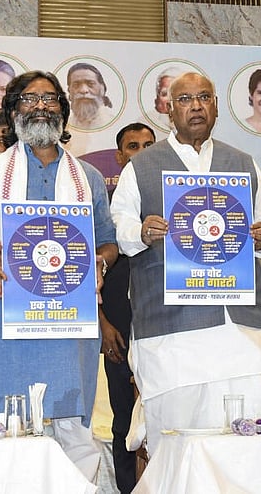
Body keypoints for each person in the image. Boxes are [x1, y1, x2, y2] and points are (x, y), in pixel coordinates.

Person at [111, 72, 261, 454]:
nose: (195, 106)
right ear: (168, 109)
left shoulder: (242, 162)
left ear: (215, 106)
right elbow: (118, 227)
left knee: (256, 436)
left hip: (239, 327)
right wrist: (141, 231)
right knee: (179, 440)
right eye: (185, 99)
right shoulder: (142, 166)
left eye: (204, 98)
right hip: (171, 328)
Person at [0, 70, 118, 481]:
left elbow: (108, 242)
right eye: (29, 100)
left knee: (72, 428)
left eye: (50, 100)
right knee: (7, 427)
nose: (41, 107)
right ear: (13, 112)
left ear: (63, 114)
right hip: (7, 317)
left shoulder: (89, 179)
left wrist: (99, 264)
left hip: (70, 321)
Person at [101, 122, 155, 494]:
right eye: (133, 146)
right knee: (123, 422)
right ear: (121, 157)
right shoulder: (106, 213)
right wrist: (103, 323)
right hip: (117, 328)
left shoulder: (177, 205)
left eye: (149, 145)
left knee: (164, 419)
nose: (141, 152)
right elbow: (90, 269)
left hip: (162, 328)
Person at [67, 62, 114, 130]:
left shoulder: (111, 122)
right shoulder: (65, 126)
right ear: (69, 90)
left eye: (90, 84)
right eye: (76, 85)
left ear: (102, 89)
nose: (83, 90)